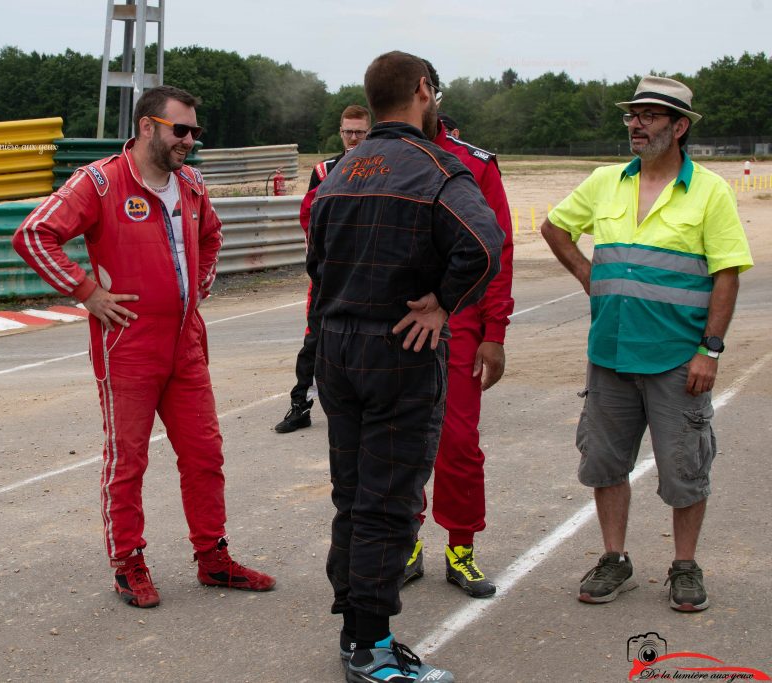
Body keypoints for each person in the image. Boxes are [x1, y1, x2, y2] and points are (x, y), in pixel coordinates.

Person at [12, 85, 275, 610]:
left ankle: (213, 556)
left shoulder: (193, 184)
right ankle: (128, 562)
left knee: (205, 454)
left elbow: (213, 237)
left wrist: (198, 286)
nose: (191, 141)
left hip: (186, 342)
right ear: (148, 126)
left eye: (196, 132)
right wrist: (87, 293)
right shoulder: (100, 181)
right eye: (182, 130)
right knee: (127, 461)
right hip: (128, 344)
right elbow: (33, 234)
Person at [308, 51, 503, 682]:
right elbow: (484, 244)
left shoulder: (337, 173)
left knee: (353, 496)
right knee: (389, 504)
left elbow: (314, 260)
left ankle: (353, 631)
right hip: (400, 351)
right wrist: (444, 303)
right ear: (423, 91)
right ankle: (372, 650)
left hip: (337, 348)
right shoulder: (437, 168)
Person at [540, 76, 753, 612]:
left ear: (679, 127)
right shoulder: (605, 182)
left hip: (676, 357)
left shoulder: (709, 191)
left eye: (651, 115)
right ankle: (616, 560)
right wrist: (590, 278)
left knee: (685, 467)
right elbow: (555, 228)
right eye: (633, 114)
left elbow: (726, 273)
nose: (637, 123)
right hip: (609, 352)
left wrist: (710, 349)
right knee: (604, 463)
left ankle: (684, 565)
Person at [402, 60, 515, 599]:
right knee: (395, 442)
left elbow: (498, 250)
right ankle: (405, 546)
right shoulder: (376, 161)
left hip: (462, 325)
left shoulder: (474, 164)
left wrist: (495, 330)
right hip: (394, 323)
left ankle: (461, 550)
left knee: (459, 443)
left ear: (430, 96)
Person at [275, 104, 372, 433]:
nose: (354, 137)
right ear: (340, 131)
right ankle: (300, 403)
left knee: (372, 340)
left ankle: (370, 408)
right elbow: (309, 218)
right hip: (329, 275)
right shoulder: (324, 169)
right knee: (315, 339)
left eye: (360, 131)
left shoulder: (384, 167)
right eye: (349, 131)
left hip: (371, 275)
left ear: (369, 132)